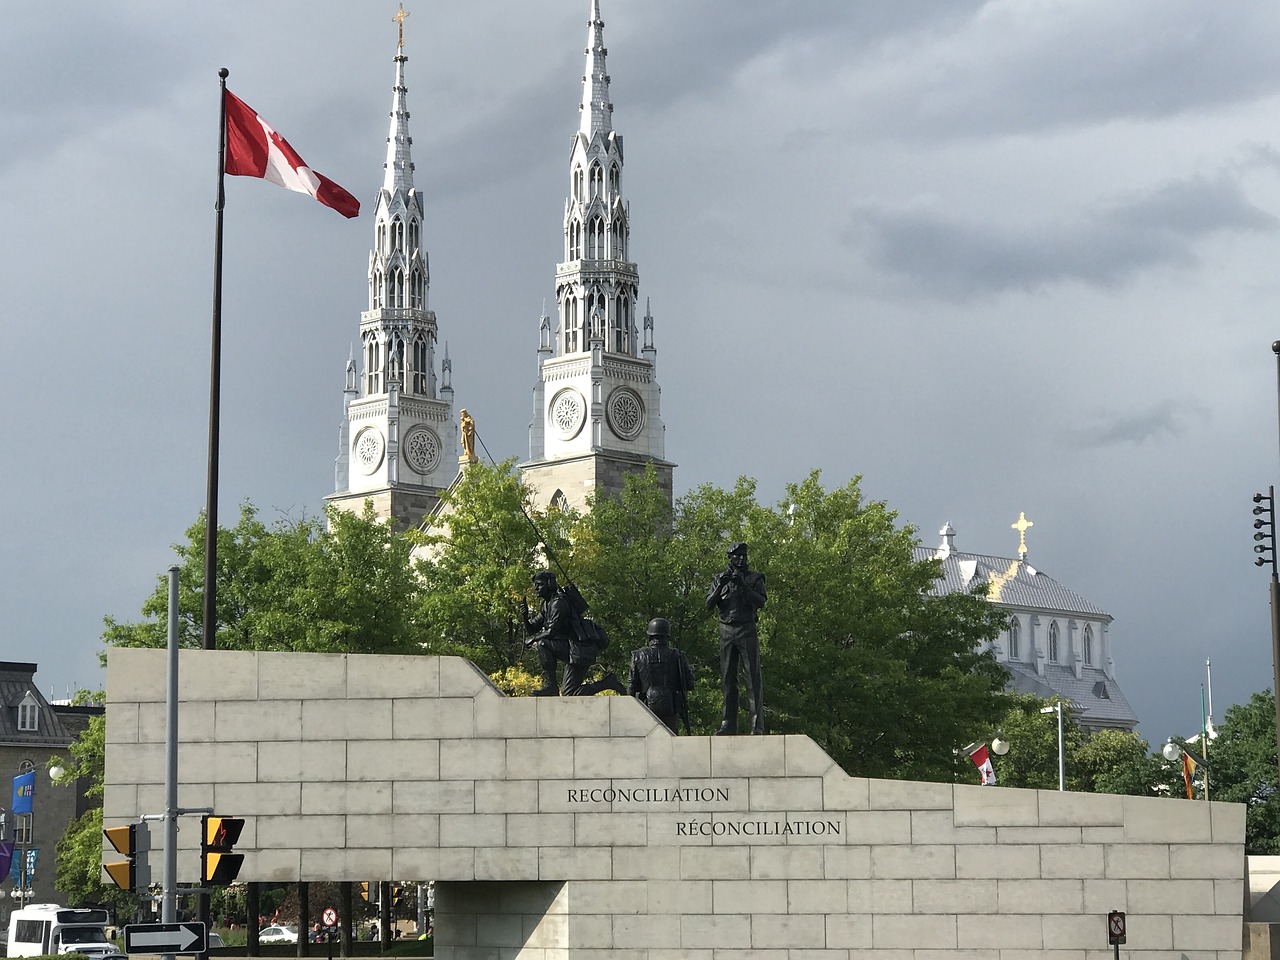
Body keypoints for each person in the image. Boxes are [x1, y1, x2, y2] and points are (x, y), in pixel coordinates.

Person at [523, 570, 625, 696]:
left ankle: (607, 683)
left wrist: (534, 639)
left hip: (580, 650)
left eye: (540, 584)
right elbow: (533, 628)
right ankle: (552, 686)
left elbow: (551, 632)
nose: (536, 588)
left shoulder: (558, 603)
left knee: (543, 644)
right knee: (570, 692)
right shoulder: (546, 604)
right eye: (535, 585)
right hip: (570, 648)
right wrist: (524, 616)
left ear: (549, 584)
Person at [705, 542, 767, 734]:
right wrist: (721, 586)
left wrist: (743, 585)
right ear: (730, 557)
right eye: (738, 556)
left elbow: (761, 601)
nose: (742, 559)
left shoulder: (754, 578)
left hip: (746, 628)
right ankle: (728, 723)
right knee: (728, 678)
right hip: (726, 630)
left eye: (744, 556)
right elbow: (708, 605)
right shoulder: (719, 578)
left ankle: (757, 725)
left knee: (752, 677)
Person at [628, 618, 694, 733]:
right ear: (667, 636)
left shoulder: (638, 656)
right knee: (670, 737)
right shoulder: (677, 656)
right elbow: (689, 684)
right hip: (670, 707)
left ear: (650, 636)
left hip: (646, 706)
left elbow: (632, 687)